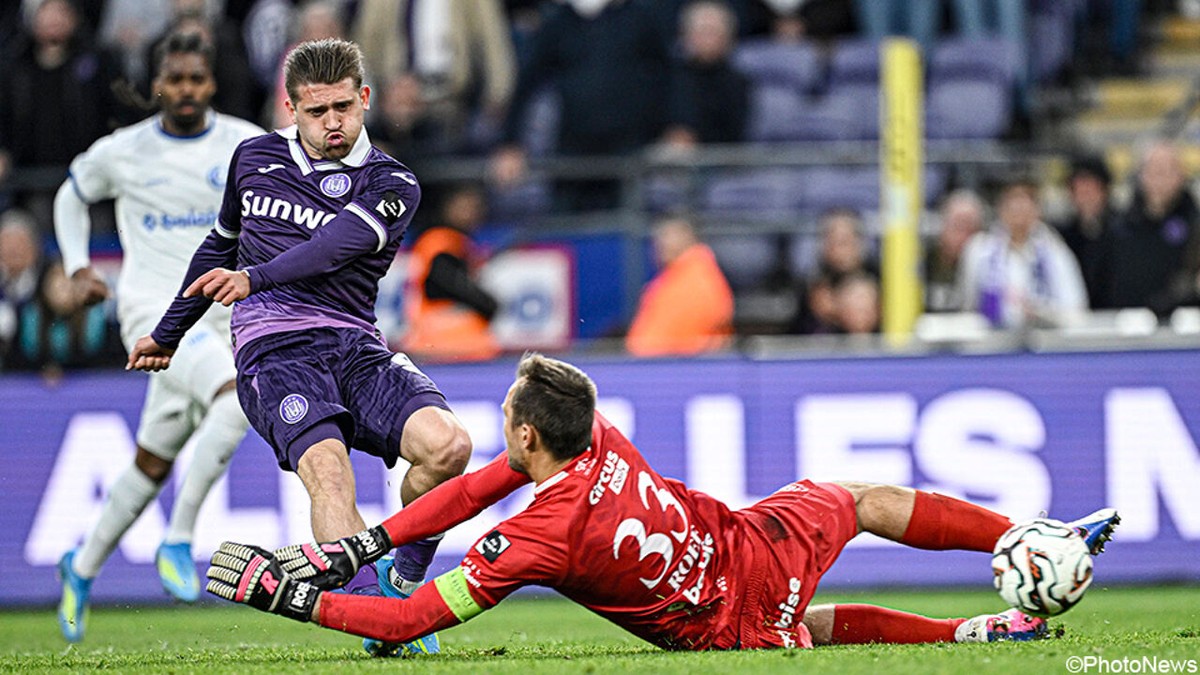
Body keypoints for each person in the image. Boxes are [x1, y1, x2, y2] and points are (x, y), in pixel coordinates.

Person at [203, 353, 1122, 652]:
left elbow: (408, 620)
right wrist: (360, 546)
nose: (501, 433)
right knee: (863, 497)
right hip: (751, 545)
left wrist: (292, 595)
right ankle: (1017, 548)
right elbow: (475, 486)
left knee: (808, 625)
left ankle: (975, 623)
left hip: (724, 623)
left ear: (529, 436)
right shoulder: (594, 432)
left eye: (508, 420)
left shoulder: (535, 539)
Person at [128, 37, 473, 657]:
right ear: (291, 108)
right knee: (329, 474)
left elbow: (334, 247)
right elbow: (219, 245)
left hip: (356, 345)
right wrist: (168, 332)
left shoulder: (392, 181)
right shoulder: (254, 158)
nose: (332, 122)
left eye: (343, 107)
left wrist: (254, 276)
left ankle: (402, 582)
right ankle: (379, 622)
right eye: (316, 112)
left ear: (365, 99)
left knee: (449, 447)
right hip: (275, 349)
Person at [51, 31, 264, 643]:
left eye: (196, 78)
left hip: (222, 318)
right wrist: (77, 266)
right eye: (175, 79)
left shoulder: (245, 144)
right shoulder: (124, 151)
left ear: (211, 83)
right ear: (158, 86)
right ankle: (179, 537)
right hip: (153, 316)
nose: (186, 89)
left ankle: (81, 566)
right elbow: (70, 195)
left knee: (151, 461)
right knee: (235, 401)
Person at [957, 179, 1088, 329]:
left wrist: (1042, 313)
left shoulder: (1055, 252)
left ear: (1037, 211)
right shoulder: (980, 250)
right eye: (1013, 202)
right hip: (992, 338)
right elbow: (967, 306)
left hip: (1044, 338)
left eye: (1025, 203)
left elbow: (1075, 307)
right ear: (1001, 208)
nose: (1019, 210)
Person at [401, 184, 501, 363]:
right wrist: (486, 303)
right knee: (483, 344)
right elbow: (446, 283)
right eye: (464, 207)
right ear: (448, 208)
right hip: (436, 326)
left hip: (440, 325)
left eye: (475, 208)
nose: (470, 213)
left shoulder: (458, 240)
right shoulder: (439, 239)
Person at [1100, 140, 1200, 316]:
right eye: (1153, 170)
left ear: (1181, 176)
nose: (1160, 179)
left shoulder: (1195, 226)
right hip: (1128, 324)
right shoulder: (1119, 229)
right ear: (1140, 175)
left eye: (1167, 171)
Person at [625, 215, 734, 356]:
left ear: (688, 236)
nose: (661, 243)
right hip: (654, 363)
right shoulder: (672, 276)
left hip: (680, 364)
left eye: (669, 235)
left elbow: (706, 335)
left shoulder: (700, 278)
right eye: (659, 237)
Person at [663, 0, 750, 151]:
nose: (708, 39)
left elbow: (734, 133)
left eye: (713, 32)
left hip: (720, 157)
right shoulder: (668, 78)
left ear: (728, 37)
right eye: (702, 32)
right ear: (686, 36)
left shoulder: (739, 83)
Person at [1054, 156, 1118, 310]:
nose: (1086, 195)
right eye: (1080, 189)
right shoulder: (1061, 236)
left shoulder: (1123, 232)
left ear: (1104, 190)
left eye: (1091, 189)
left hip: (1113, 313)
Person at [925, 189, 985, 313]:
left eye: (970, 228)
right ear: (943, 225)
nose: (963, 236)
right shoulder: (924, 261)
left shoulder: (987, 267)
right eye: (958, 226)